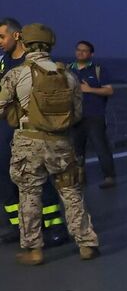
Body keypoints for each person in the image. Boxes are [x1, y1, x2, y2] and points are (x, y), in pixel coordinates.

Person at [0, 23, 99, 264]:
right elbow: (76, 114)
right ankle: (86, 243)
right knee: (72, 193)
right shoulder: (68, 75)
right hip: (61, 142)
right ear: (49, 44)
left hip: (28, 141)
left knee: (29, 195)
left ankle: (34, 250)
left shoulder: (16, 74)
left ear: (25, 42)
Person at [0, 18, 65, 243]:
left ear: (16, 36)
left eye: (2, 37)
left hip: (28, 128)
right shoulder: (3, 62)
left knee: (38, 176)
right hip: (5, 128)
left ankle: (54, 225)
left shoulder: (31, 64)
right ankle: (18, 225)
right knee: (5, 177)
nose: (0, 42)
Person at [69, 40, 116, 188]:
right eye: (78, 50)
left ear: (91, 54)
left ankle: (109, 177)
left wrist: (89, 90)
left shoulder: (98, 70)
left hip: (94, 115)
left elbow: (109, 90)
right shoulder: (68, 69)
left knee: (101, 147)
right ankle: (80, 176)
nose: (80, 52)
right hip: (75, 115)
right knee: (76, 148)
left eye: (84, 50)